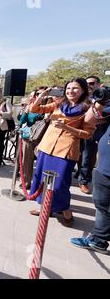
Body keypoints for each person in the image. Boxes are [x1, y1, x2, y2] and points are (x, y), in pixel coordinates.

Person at [28, 78, 96, 226]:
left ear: (83, 90)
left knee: (60, 185)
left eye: (75, 88)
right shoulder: (60, 103)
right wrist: (41, 96)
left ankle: (66, 211)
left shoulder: (88, 109)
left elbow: (87, 134)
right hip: (47, 148)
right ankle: (45, 209)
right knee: (42, 180)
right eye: (68, 88)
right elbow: (34, 109)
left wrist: (66, 128)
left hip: (66, 152)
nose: (70, 91)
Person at [70, 101, 110, 253]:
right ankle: (98, 239)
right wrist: (99, 103)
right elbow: (90, 119)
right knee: (102, 205)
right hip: (104, 169)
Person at [78, 76, 108, 194]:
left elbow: (104, 113)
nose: (89, 86)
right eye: (87, 84)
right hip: (88, 131)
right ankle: (83, 182)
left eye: (91, 83)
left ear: (99, 84)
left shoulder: (105, 96)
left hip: (103, 131)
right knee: (87, 157)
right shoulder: (83, 98)